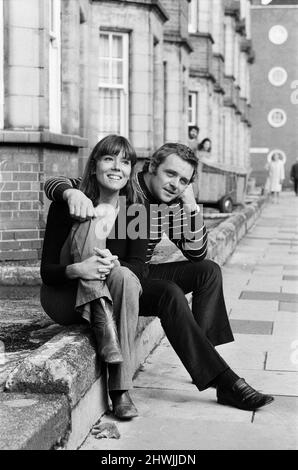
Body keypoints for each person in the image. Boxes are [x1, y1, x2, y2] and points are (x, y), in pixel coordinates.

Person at [44, 142, 274, 413]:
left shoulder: (171, 204)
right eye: (171, 174)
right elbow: (56, 183)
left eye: (183, 180)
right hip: (109, 275)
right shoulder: (120, 187)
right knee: (167, 292)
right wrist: (70, 192)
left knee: (208, 272)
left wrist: (191, 207)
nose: (176, 184)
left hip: (133, 270)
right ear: (151, 167)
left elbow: (197, 253)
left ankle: (203, 358)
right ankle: (212, 370)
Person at [41, 135, 146, 419]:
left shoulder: (135, 212)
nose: (117, 167)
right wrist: (79, 269)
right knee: (94, 216)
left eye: (125, 162)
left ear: (130, 172)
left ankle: (120, 391)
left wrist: (113, 264)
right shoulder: (69, 202)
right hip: (64, 299)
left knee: (124, 275)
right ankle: (100, 310)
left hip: (112, 296)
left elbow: (139, 268)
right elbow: (47, 273)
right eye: (109, 158)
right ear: (94, 166)